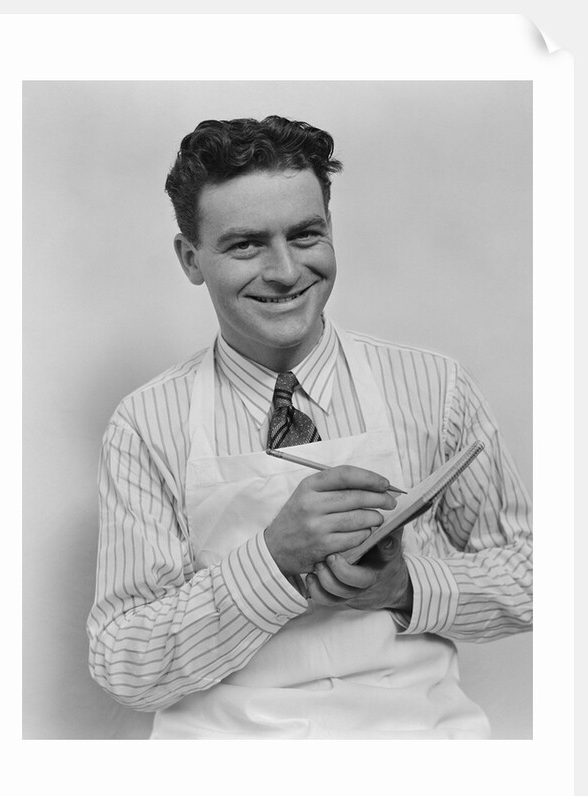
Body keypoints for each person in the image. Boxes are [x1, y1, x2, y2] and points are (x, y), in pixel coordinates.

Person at [87, 115, 532, 739]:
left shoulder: (435, 388)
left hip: (421, 750)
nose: (286, 271)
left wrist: (405, 586)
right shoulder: (145, 426)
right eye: (245, 244)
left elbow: (539, 577)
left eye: (305, 235)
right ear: (191, 259)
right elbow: (124, 664)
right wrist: (271, 561)